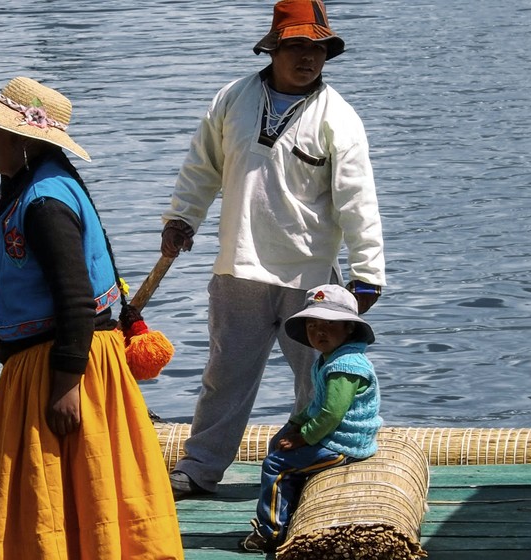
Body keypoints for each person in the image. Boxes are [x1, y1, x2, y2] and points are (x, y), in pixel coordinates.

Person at [161, 0, 386, 499]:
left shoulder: (339, 119)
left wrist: (367, 272)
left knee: (318, 383)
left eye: (318, 48)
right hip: (236, 268)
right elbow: (203, 166)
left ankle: (316, 467)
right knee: (225, 376)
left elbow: (358, 199)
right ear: (274, 48)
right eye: (298, 46)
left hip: (309, 280)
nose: (308, 57)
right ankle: (199, 468)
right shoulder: (233, 99)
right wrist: (182, 217)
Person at [0, 77, 183, 560]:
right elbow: (23, 274)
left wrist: (64, 384)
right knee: (79, 489)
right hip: (63, 360)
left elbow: (75, 297)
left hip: (65, 366)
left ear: (23, 141)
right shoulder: (34, 185)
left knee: (61, 490)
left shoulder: (44, 203)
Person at [239, 284, 382, 553]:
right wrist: (294, 424)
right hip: (333, 434)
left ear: (349, 327)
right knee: (277, 443)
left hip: (345, 442)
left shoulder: (345, 366)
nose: (319, 332)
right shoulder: (330, 359)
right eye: (312, 325)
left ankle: (271, 532)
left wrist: (304, 437)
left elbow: (331, 414)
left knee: (275, 465)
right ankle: (287, 509)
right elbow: (317, 405)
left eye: (329, 324)